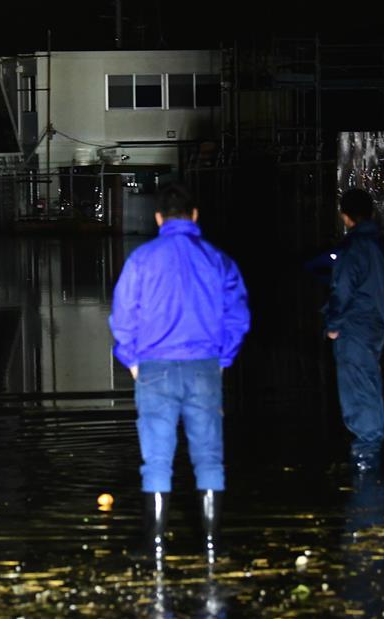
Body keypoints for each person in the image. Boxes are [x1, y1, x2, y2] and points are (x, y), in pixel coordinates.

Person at [109, 183, 250, 565]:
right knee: (209, 457)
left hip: (154, 369)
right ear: (195, 215)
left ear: (158, 219)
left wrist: (132, 360)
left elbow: (123, 318)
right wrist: (222, 361)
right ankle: (212, 546)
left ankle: (154, 546)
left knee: (156, 459)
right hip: (204, 367)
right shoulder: (218, 260)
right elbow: (237, 317)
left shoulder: (141, 259)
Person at [324, 189, 384, 472]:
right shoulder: (382, 248)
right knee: (369, 384)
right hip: (377, 327)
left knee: (357, 390)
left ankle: (366, 463)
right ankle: (370, 452)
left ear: (345, 216)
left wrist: (333, 325)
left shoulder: (350, 249)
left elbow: (340, 290)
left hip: (353, 329)